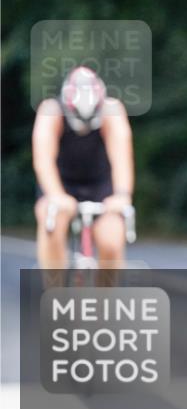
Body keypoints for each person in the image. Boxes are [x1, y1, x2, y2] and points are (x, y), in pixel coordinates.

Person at [32, 66, 134, 277]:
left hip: (100, 184)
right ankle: (55, 288)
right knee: (51, 221)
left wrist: (122, 195)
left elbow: (122, 159)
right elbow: (43, 160)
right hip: (60, 184)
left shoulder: (112, 110)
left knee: (112, 239)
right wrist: (56, 195)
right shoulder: (51, 111)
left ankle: (107, 294)